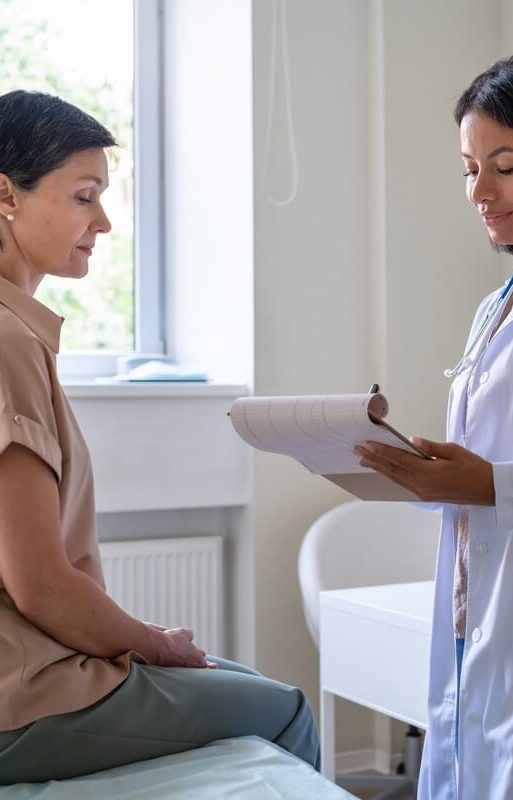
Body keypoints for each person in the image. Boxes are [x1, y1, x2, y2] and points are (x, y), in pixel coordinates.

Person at [0, 89, 319, 784]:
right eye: (84, 196)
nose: (105, 221)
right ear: (6, 196)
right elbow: (39, 587)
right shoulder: (7, 345)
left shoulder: (22, 333)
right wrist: (152, 642)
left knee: (231, 675)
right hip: (19, 700)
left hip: (31, 670)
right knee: (287, 710)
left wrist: (141, 647)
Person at [356, 53, 513, 799]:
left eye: (505, 165)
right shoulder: (500, 302)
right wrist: (435, 473)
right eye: (470, 169)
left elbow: (508, 471)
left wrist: (492, 483)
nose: (480, 191)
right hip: (484, 601)